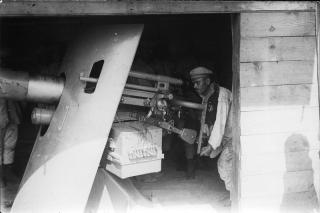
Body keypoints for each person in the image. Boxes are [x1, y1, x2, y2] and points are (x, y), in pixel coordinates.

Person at [189, 66, 233, 198]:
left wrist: (211, 146)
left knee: (224, 166)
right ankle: (233, 196)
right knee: (227, 167)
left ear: (207, 81)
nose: (195, 86)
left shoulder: (221, 95)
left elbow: (220, 122)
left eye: (198, 82)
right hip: (225, 137)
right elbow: (207, 119)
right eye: (194, 83)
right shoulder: (208, 96)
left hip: (234, 137)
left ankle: (234, 199)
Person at [0, 99, 21, 187]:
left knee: (10, 147)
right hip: (3, 119)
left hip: (12, 118)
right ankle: (1, 179)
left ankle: (6, 174)